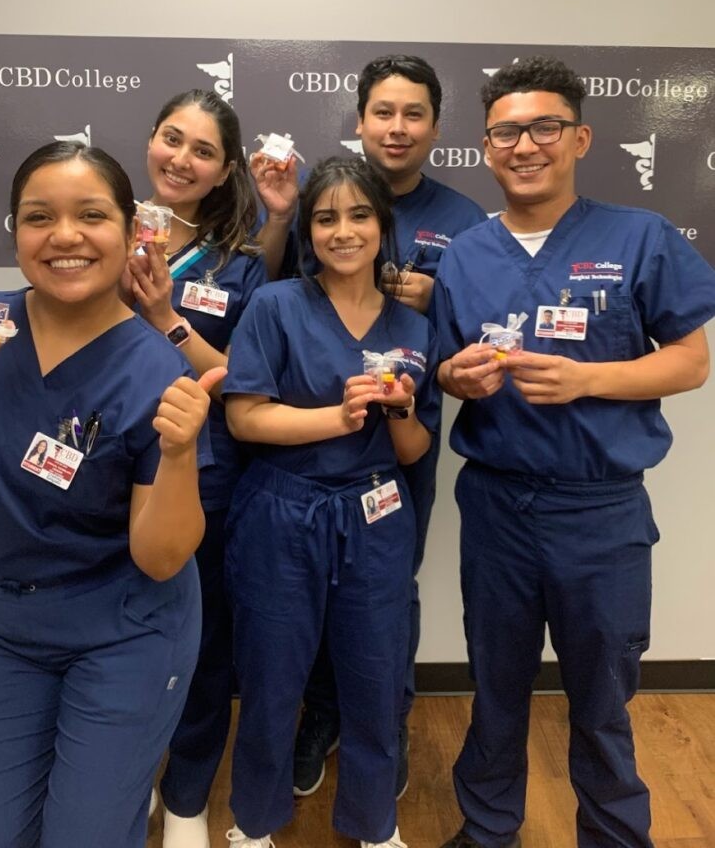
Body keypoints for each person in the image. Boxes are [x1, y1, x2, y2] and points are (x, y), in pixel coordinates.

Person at [431, 56, 715, 848]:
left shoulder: (638, 236)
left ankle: (615, 834)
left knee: (600, 693)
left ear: (579, 137)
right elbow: (449, 367)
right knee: (495, 687)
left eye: (543, 127)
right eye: (506, 131)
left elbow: (690, 362)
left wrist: (589, 379)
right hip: (496, 504)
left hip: (600, 509)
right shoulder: (464, 255)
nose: (525, 145)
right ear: (485, 147)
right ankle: (487, 830)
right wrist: (458, 375)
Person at [0, 140, 224, 848]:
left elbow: (161, 558)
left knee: (85, 833)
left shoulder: (157, 369)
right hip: (5, 621)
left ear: (132, 233)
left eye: (90, 215)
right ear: (15, 233)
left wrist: (181, 451)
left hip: (124, 631)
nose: (63, 236)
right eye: (39, 217)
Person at [253, 54, 486, 799]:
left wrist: (433, 299)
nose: (396, 127)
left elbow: (474, 335)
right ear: (359, 121)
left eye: (412, 113)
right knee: (298, 598)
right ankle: (319, 719)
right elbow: (272, 292)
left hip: (398, 447)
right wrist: (285, 214)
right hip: (303, 451)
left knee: (383, 593)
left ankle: (382, 724)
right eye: (382, 112)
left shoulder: (462, 221)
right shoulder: (311, 205)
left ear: (434, 127)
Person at [223, 156, 441, 848]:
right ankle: (253, 824)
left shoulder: (412, 328)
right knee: (270, 678)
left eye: (358, 215)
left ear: (383, 224)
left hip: (376, 514)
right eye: (324, 218)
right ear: (308, 230)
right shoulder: (276, 305)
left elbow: (412, 451)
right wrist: (338, 419)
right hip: (281, 512)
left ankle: (376, 826)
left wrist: (400, 412)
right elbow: (245, 418)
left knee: (377, 680)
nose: (342, 232)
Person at [126, 89, 266, 848]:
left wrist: (163, 316)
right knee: (118, 635)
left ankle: (185, 796)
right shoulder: (106, 229)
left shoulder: (237, 264)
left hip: (203, 469)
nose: (181, 159)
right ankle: (127, 773)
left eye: (202, 151)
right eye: (171, 140)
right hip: (107, 464)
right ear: (150, 141)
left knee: (203, 641)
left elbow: (243, 378)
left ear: (223, 172)